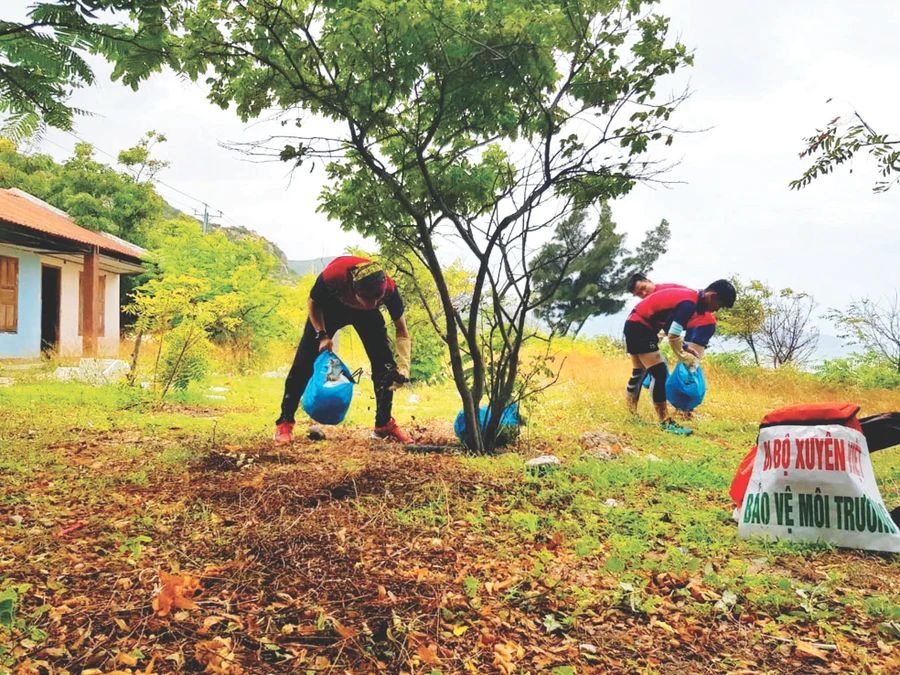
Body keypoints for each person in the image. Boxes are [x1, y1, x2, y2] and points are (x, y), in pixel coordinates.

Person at [273, 256, 412, 445]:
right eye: (367, 299)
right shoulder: (333, 277)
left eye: (377, 300)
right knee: (303, 362)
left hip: (367, 318)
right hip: (331, 309)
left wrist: (404, 365)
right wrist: (322, 335)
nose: (373, 304)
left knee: (386, 367)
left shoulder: (388, 288)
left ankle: (383, 425)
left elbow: (402, 330)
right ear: (354, 290)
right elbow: (313, 303)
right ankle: (285, 422)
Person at [623, 280, 736, 433]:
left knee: (639, 372)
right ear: (713, 297)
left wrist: (685, 347)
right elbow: (673, 335)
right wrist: (685, 356)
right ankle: (665, 421)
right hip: (640, 327)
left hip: (635, 324)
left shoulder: (689, 298)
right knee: (659, 372)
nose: (717, 310)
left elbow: (669, 325)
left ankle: (630, 416)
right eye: (720, 305)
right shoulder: (689, 303)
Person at [626, 273, 717, 358]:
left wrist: (660, 335)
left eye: (643, 288)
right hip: (687, 325)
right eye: (639, 294)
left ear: (649, 281)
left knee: (691, 360)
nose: (644, 293)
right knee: (685, 359)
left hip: (703, 323)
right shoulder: (651, 301)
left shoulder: (666, 291)